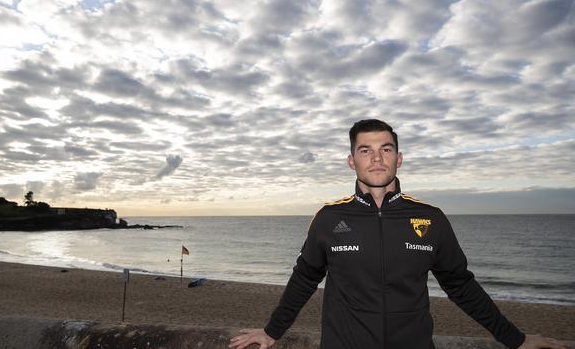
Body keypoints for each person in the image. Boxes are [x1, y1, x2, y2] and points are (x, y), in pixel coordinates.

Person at [229, 119, 567, 349]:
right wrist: (272, 331)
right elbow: (304, 278)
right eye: (365, 150)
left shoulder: (429, 219)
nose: (376, 158)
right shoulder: (329, 218)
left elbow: (461, 285)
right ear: (351, 161)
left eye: (386, 149)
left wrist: (516, 340)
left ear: (399, 158)